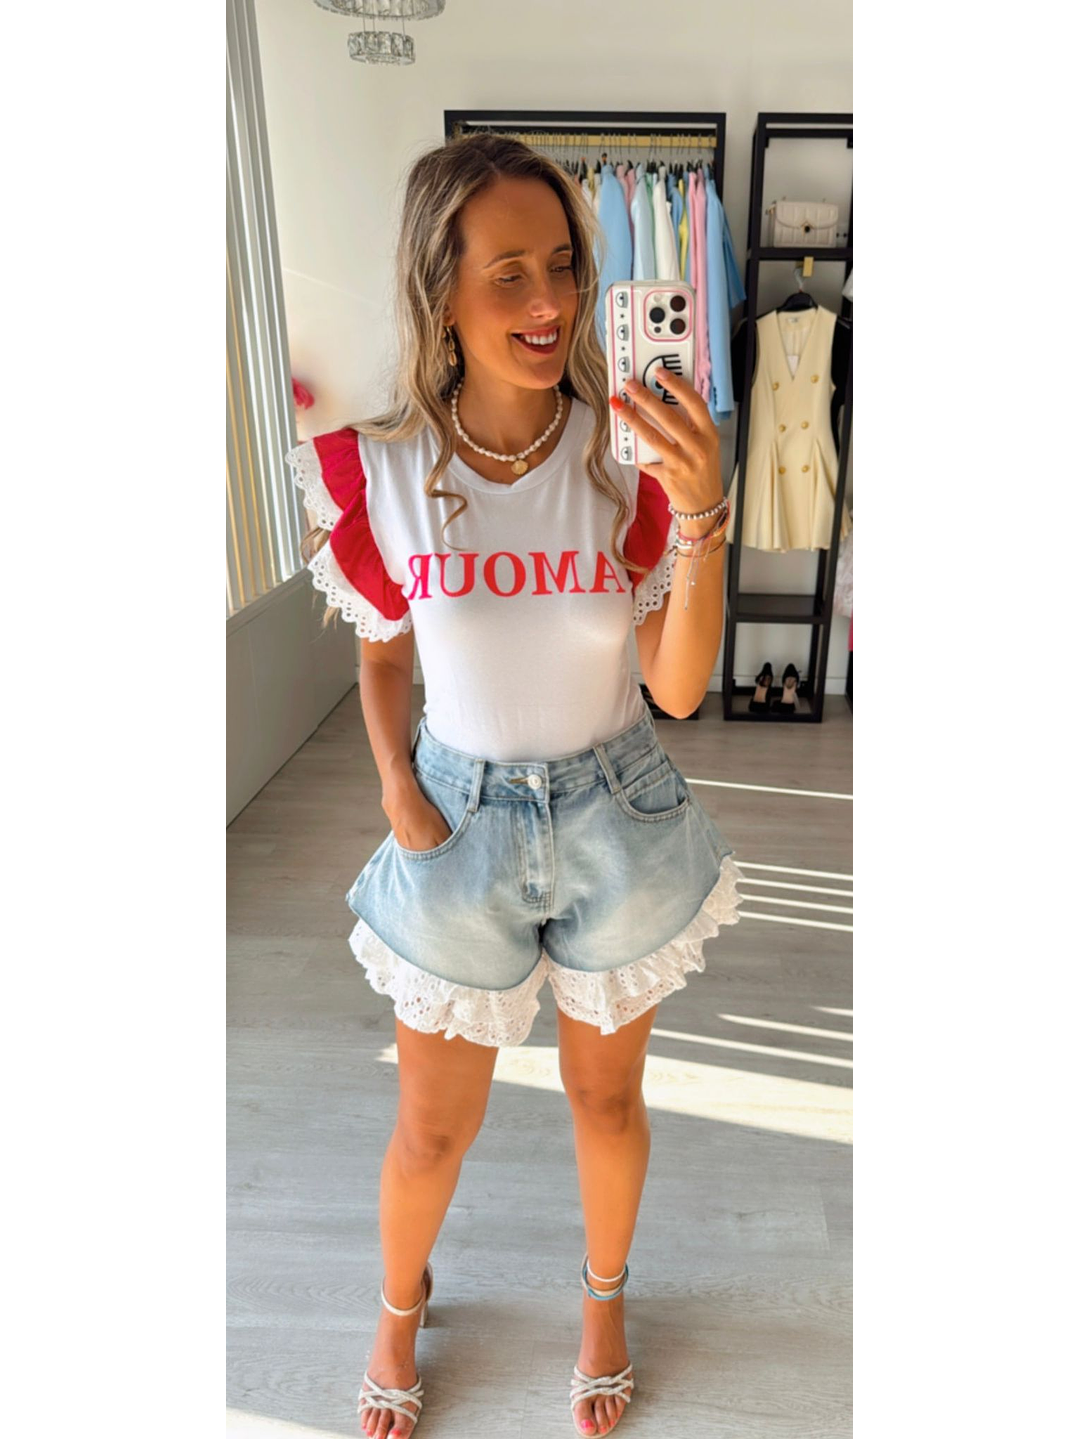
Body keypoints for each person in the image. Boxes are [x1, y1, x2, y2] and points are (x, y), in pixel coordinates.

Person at [285, 133, 745, 1439]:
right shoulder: (380, 470)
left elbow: (675, 689)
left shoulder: (625, 458)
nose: (548, 302)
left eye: (562, 266)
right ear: (438, 292)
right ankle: (396, 1307)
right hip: (459, 821)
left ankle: (603, 1302)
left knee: (606, 1097)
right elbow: (385, 652)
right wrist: (396, 782)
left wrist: (702, 519)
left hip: (617, 811)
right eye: (507, 274)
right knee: (431, 1129)